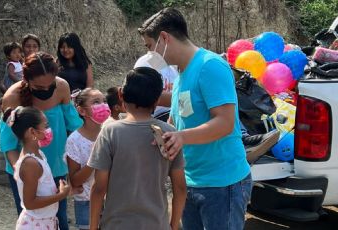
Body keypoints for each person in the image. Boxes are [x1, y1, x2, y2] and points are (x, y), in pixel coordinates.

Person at [138, 8, 251, 229]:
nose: (150, 54)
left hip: (222, 184)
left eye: (150, 46)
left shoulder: (210, 66)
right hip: (191, 181)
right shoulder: (182, 72)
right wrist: (162, 134)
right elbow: (179, 116)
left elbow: (225, 122)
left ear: (164, 38)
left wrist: (181, 137)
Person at [88, 67, 186, 230]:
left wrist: (92, 227)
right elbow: (180, 188)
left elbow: (99, 188)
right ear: (157, 100)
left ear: (120, 95)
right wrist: (174, 226)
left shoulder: (110, 132)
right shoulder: (170, 134)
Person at [0, 52, 83, 230]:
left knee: (58, 219)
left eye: (49, 85)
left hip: (56, 165)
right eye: (39, 87)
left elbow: (74, 124)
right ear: (26, 80)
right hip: (27, 170)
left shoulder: (62, 87)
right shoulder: (12, 97)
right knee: (35, 218)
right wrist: (22, 172)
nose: (45, 90)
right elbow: (8, 144)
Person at [2, 106, 71, 230]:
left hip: (44, 222)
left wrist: (63, 191)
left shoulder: (38, 155)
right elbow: (30, 203)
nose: (49, 129)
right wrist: (60, 195)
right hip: (36, 225)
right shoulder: (30, 164)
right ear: (32, 132)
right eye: (45, 126)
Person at [66, 88, 110, 230]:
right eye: (96, 102)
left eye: (104, 101)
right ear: (82, 111)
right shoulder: (74, 140)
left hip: (112, 200)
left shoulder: (111, 133)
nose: (103, 105)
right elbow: (75, 180)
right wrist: (94, 158)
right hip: (86, 202)